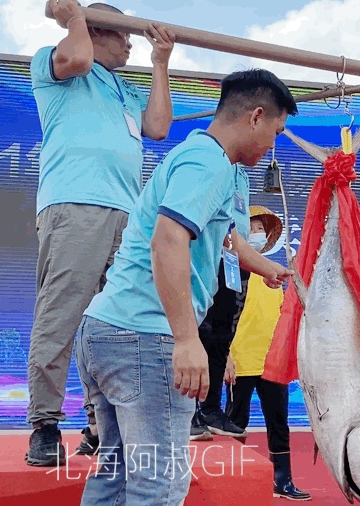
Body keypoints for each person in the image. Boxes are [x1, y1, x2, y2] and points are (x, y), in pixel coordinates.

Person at [74, 69, 297, 505]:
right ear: (255, 117)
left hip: (109, 328)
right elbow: (168, 240)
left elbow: (225, 236)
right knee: (158, 486)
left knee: (117, 479)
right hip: (145, 335)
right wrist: (185, 339)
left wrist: (266, 267)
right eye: (276, 132)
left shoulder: (210, 161)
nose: (273, 146)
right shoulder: (207, 163)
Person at [25, 0, 176, 465]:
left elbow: (158, 127)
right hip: (76, 205)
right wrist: (75, 19)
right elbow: (77, 56)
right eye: (121, 34)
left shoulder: (125, 88)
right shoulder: (58, 65)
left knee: (116, 322)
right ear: (94, 31)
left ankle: (101, 425)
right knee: (61, 316)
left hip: (128, 216)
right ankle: (45, 425)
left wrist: (160, 62)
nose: (130, 44)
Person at [224, 205, 311, 501]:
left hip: (272, 363)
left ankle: (282, 480)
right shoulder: (232, 271)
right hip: (240, 362)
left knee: (279, 424)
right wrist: (225, 357)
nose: (257, 234)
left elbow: (282, 320)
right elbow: (222, 321)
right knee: (234, 425)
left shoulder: (274, 274)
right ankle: (231, 481)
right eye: (251, 229)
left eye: (261, 229)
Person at [189, 259, 251, 441]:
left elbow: (241, 247)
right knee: (200, 335)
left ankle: (211, 410)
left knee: (222, 339)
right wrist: (269, 270)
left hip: (233, 267)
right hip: (202, 264)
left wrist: (266, 269)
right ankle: (188, 412)